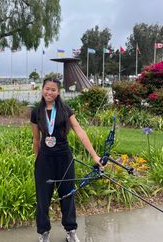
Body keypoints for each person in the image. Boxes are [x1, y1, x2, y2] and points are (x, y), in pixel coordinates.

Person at [30, 78, 103, 242]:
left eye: (53, 90)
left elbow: (80, 131)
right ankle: (43, 233)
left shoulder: (65, 110)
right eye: (47, 89)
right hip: (45, 161)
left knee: (67, 196)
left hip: (64, 159)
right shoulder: (36, 112)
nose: (49, 92)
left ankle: (70, 231)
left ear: (58, 92)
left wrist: (95, 156)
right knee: (43, 198)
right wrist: (37, 160)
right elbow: (36, 139)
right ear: (42, 89)